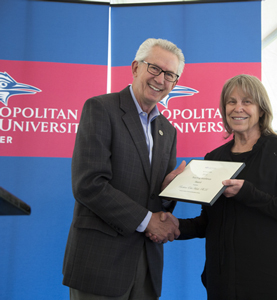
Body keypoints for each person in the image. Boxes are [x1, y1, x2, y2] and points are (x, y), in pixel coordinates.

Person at [62, 38, 186, 300]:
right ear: (135, 68)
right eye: (154, 68)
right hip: (101, 263)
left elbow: (156, 201)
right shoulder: (100, 109)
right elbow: (89, 184)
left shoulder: (168, 131)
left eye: (170, 75)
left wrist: (168, 192)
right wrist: (148, 221)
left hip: (146, 265)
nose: (160, 79)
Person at [172, 74, 277, 300]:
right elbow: (209, 223)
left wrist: (248, 193)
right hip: (226, 284)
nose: (238, 108)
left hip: (275, 283)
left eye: (247, 101)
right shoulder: (213, 158)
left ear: (261, 109)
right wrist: (174, 227)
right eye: (231, 101)